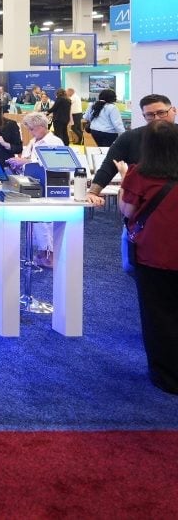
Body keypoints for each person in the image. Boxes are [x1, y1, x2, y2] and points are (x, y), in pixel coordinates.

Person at [119, 120, 178, 395]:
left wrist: (122, 180)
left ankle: (166, 375)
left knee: (158, 316)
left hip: (154, 255)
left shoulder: (140, 173)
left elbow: (128, 210)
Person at [89, 95, 177, 207]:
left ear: (174, 110)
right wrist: (93, 192)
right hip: (142, 204)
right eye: (150, 115)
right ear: (144, 116)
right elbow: (109, 165)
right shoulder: (130, 138)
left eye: (161, 112)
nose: (157, 119)